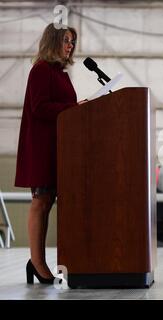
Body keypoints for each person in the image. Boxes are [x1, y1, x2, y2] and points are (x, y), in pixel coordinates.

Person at [15, 23, 86, 284]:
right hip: (41, 147)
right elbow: (40, 107)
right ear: (53, 41)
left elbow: (62, 107)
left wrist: (77, 109)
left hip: (58, 148)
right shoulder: (41, 70)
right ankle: (36, 262)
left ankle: (38, 261)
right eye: (66, 40)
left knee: (47, 203)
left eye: (72, 42)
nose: (70, 46)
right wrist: (73, 109)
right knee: (41, 202)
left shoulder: (60, 73)